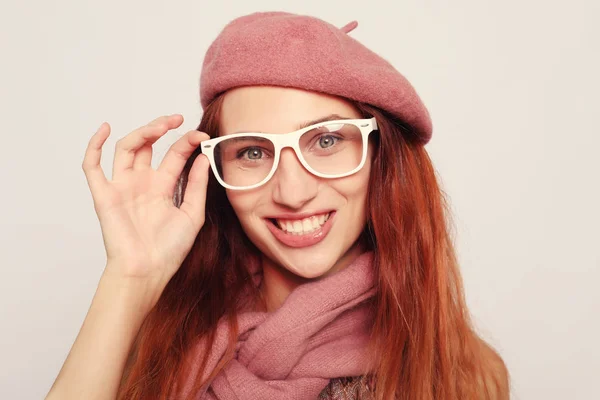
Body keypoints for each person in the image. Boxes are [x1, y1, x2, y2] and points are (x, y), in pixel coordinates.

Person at [46, 11, 509, 400]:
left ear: (380, 157)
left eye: (326, 141)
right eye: (252, 151)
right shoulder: (153, 347)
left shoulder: (464, 375)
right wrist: (130, 278)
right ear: (216, 174)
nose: (292, 192)